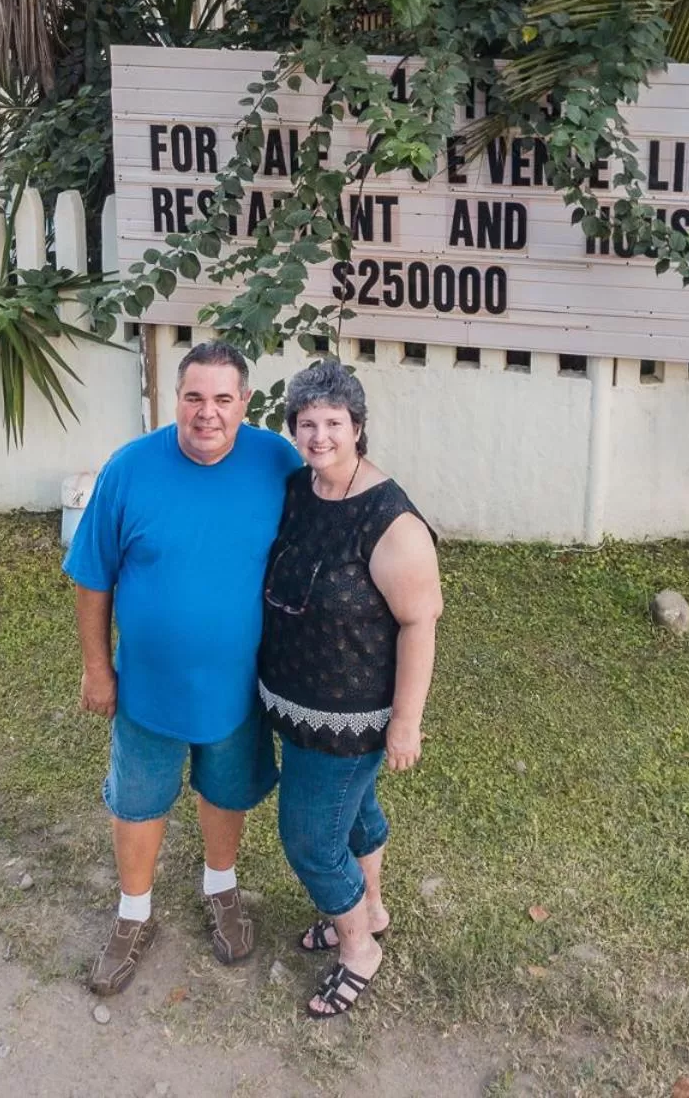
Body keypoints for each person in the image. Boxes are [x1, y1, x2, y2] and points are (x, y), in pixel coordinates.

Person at [63, 341, 302, 996]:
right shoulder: (130, 469)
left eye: (222, 399)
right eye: (193, 397)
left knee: (225, 790)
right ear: (176, 398)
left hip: (239, 688)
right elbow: (91, 577)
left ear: (244, 403)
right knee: (139, 800)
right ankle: (133, 915)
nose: (207, 413)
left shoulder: (275, 463)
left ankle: (220, 889)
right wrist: (95, 668)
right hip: (147, 687)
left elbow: (327, 523)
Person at [258, 359, 443, 1019]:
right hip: (295, 704)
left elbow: (419, 620)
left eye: (333, 422)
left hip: (349, 716)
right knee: (355, 815)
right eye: (306, 422)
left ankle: (359, 948)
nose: (318, 435)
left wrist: (405, 723)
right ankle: (370, 906)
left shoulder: (391, 522)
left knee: (310, 836)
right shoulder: (299, 490)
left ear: (358, 428)